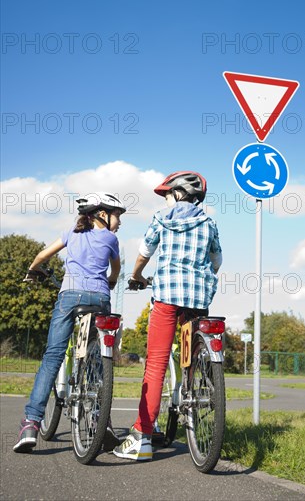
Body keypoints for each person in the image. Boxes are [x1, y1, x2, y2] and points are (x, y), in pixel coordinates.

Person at [113, 171, 222, 461]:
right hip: (198, 298)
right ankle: (193, 394)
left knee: (156, 363)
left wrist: (136, 276)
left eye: (168, 194)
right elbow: (216, 261)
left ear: (177, 194)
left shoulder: (163, 218)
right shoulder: (209, 223)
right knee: (191, 356)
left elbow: (143, 254)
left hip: (166, 297)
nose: (166, 199)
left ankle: (141, 437)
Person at [13, 192, 125, 453]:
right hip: (99, 298)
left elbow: (42, 256)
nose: (118, 223)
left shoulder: (70, 234)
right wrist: (110, 281)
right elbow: (116, 270)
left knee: (53, 355)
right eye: (117, 216)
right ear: (102, 215)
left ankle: (31, 423)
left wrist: (33, 271)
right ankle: (99, 420)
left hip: (69, 296)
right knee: (97, 359)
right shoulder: (111, 238)